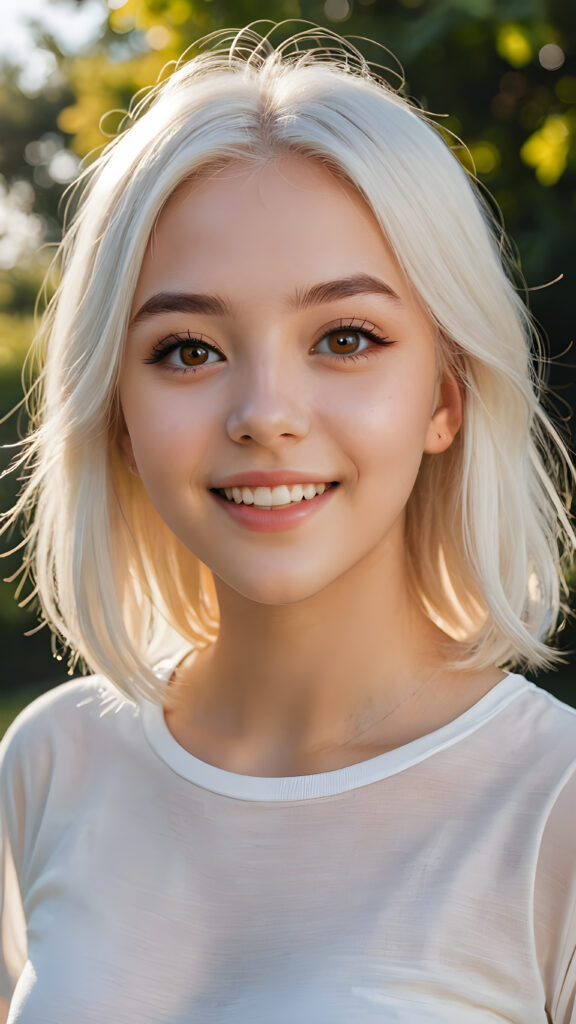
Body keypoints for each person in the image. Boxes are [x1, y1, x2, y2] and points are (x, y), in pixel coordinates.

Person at [0, 22, 574, 1023]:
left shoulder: (552, 808)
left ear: (447, 396)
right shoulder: (49, 765)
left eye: (345, 337)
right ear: (121, 419)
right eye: (187, 349)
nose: (265, 411)